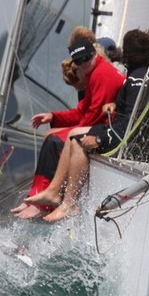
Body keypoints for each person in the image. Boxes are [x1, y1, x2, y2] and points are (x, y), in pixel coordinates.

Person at [31, 29, 149, 222]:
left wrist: (100, 138)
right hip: (144, 143)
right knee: (72, 135)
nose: (82, 64)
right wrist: (115, 106)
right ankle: (53, 192)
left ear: (125, 55)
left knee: (76, 140)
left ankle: (69, 203)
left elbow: (131, 123)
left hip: (128, 142)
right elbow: (137, 115)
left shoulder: (132, 80)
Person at [13, 39, 124, 219]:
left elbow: (94, 115)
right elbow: (82, 112)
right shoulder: (94, 72)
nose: (84, 63)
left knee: (55, 141)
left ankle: (44, 201)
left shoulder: (101, 74)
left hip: (107, 128)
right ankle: (36, 196)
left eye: (87, 58)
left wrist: (64, 132)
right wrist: (54, 117)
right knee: (51, 135)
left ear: (94, 54)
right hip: (98, 124)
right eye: (79, 61)